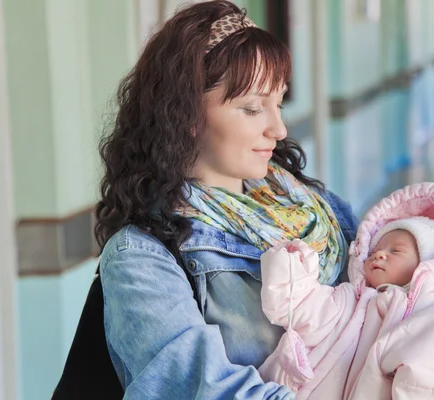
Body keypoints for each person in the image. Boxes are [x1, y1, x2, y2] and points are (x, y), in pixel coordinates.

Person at [94, 1, 359, 398]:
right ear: (185, 115)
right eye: (252, 108)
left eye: (278, 102)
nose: (279, 128)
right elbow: (213, 391)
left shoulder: (317, 208)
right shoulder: (141, 258)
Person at [258, 182, 434, 399]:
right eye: (376, 249)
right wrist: (291, 268)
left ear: (428, 264)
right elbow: (299, 307)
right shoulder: (347, 301)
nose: (380, 254)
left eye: (396, 251)